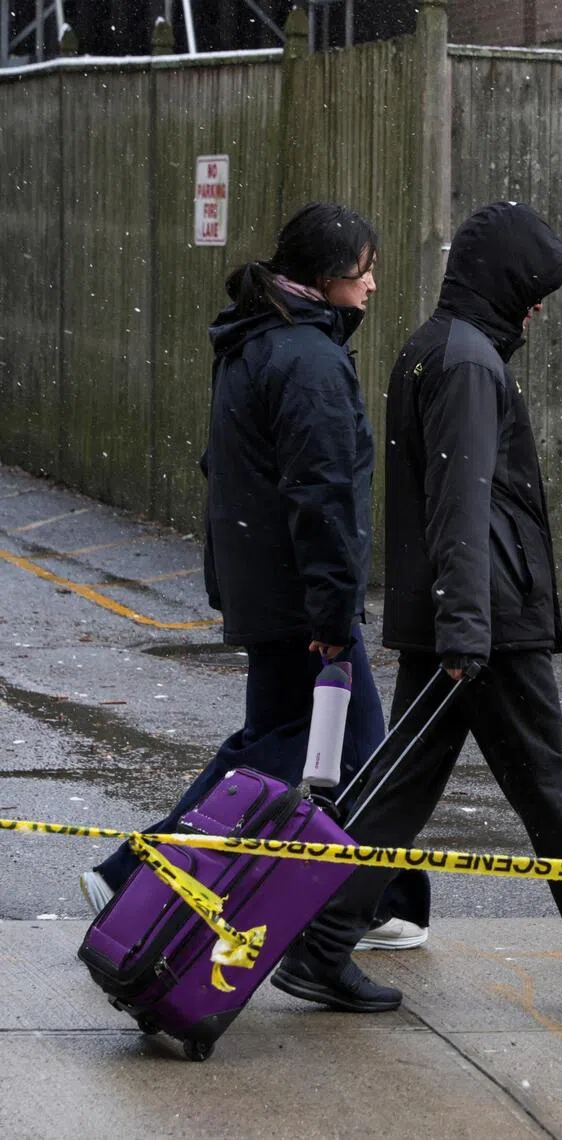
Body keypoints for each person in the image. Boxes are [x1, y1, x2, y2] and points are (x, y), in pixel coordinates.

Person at [271, 201, 562, 1014]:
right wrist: (467, 629)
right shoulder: (470, 362)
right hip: (485, 622)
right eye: (534, 287)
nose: (540, 304)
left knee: (399, 789)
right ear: (503, 281)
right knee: (549, 790)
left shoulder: (438, 348)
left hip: (462, 615)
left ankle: (323, 945)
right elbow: (460, 505)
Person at [78, 200, 428, 953]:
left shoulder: (260, 338)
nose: (372, 287)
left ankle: (138, 876)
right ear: (330, 277)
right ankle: (361, 909)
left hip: (266, 582)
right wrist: (334, 620)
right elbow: (323, 496)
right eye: (364, 272)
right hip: (299, 596)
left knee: (278, 742)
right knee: (352, 749)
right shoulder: (307, 359)